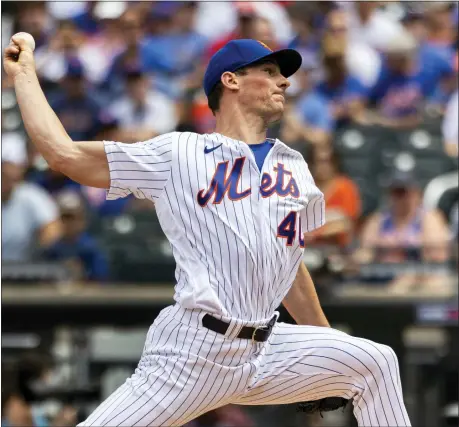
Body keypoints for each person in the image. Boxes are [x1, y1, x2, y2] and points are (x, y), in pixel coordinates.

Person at [5, 34, 411, 427]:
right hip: (192, 352)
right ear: (230, 80)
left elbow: (288, 265)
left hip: (266, 350)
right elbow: (64, 154)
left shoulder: (295, 166)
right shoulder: (179, 153)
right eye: (268, 71)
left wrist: (327, 348)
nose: (283, 81)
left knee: (376, 362)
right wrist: (24, 75)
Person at [1, 133, 61, 262]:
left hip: (23, 270)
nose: (6, 178)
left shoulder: (31, 195)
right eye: (3, 173)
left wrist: (37, 252)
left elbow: (53, 228)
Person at [42, 191, 109, 282]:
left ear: (83, 220)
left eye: (74, 217)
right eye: (65, 217)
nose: (70, 222)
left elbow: (101, 281)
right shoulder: (51, 249)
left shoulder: (92, 249)